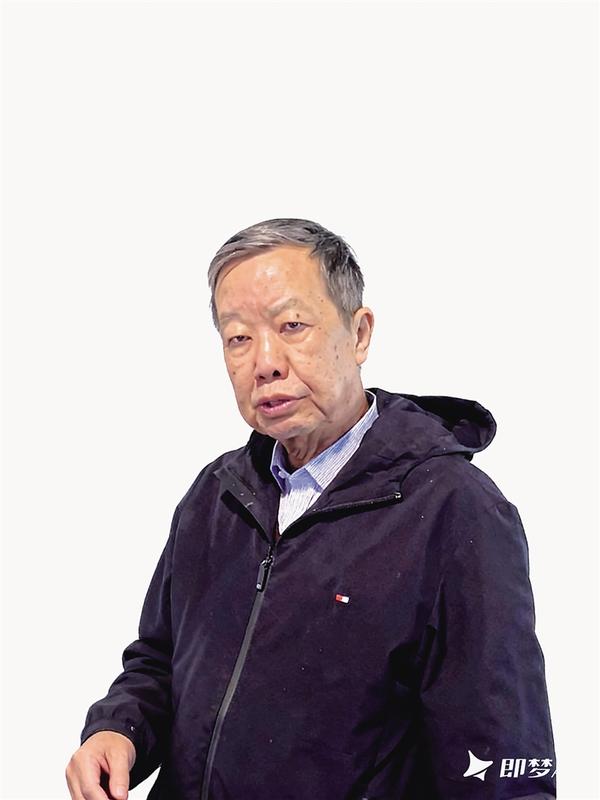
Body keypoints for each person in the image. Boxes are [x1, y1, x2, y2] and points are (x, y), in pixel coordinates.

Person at [66, 218, 557, 800]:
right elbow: (159, 660)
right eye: (238, 338)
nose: (265, 362)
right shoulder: (216, 494)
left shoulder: (455, 510)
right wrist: (118, 730)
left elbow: (502, 765)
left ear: (360, 333)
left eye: (292, 325)